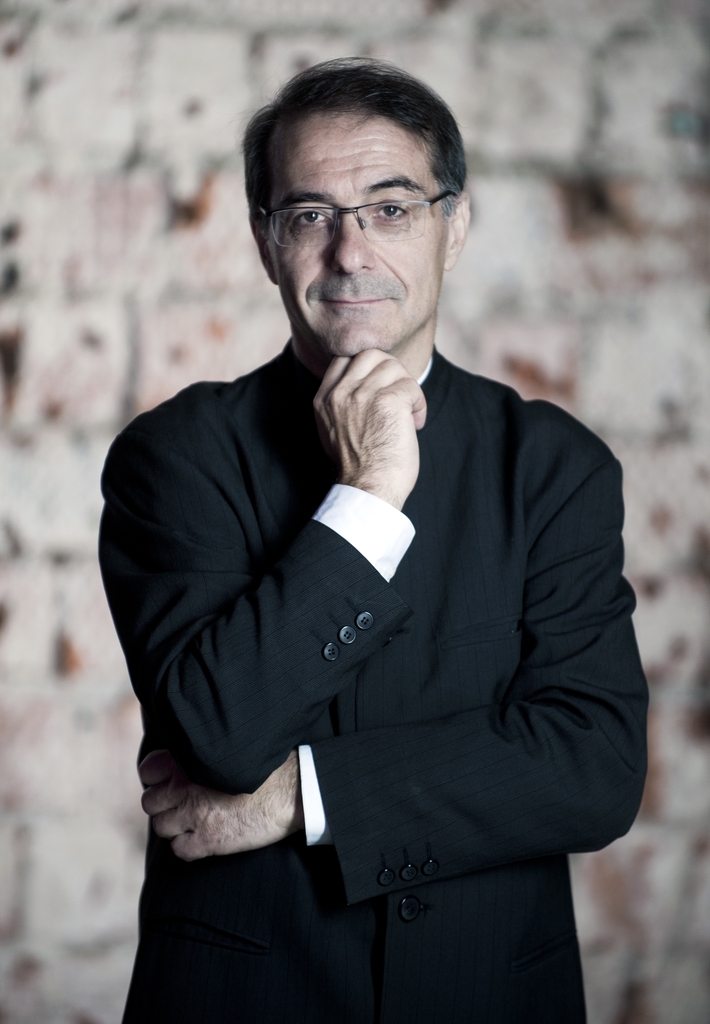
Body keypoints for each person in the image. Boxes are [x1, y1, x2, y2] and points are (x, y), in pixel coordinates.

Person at [99, 57, 648, 1024]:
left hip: (493, 995)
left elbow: (593, 767)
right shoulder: (175, 457)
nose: (350, 252)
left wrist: (301, 797)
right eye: (309, 214)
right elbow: (220, 738)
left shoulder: (555, 466)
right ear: (266, 243)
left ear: (454, 227)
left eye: (391, 209)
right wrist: (369, 494)